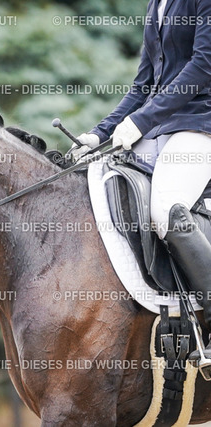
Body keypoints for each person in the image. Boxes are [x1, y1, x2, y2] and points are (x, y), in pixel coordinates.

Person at [73, 0, 211, 370]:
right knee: (99, 182)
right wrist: (99, 133)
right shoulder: (156, 4)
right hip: (160, 126)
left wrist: (142, 121)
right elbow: (143, 85)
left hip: (201, 123)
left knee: (166, 210)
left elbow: (203, 67)